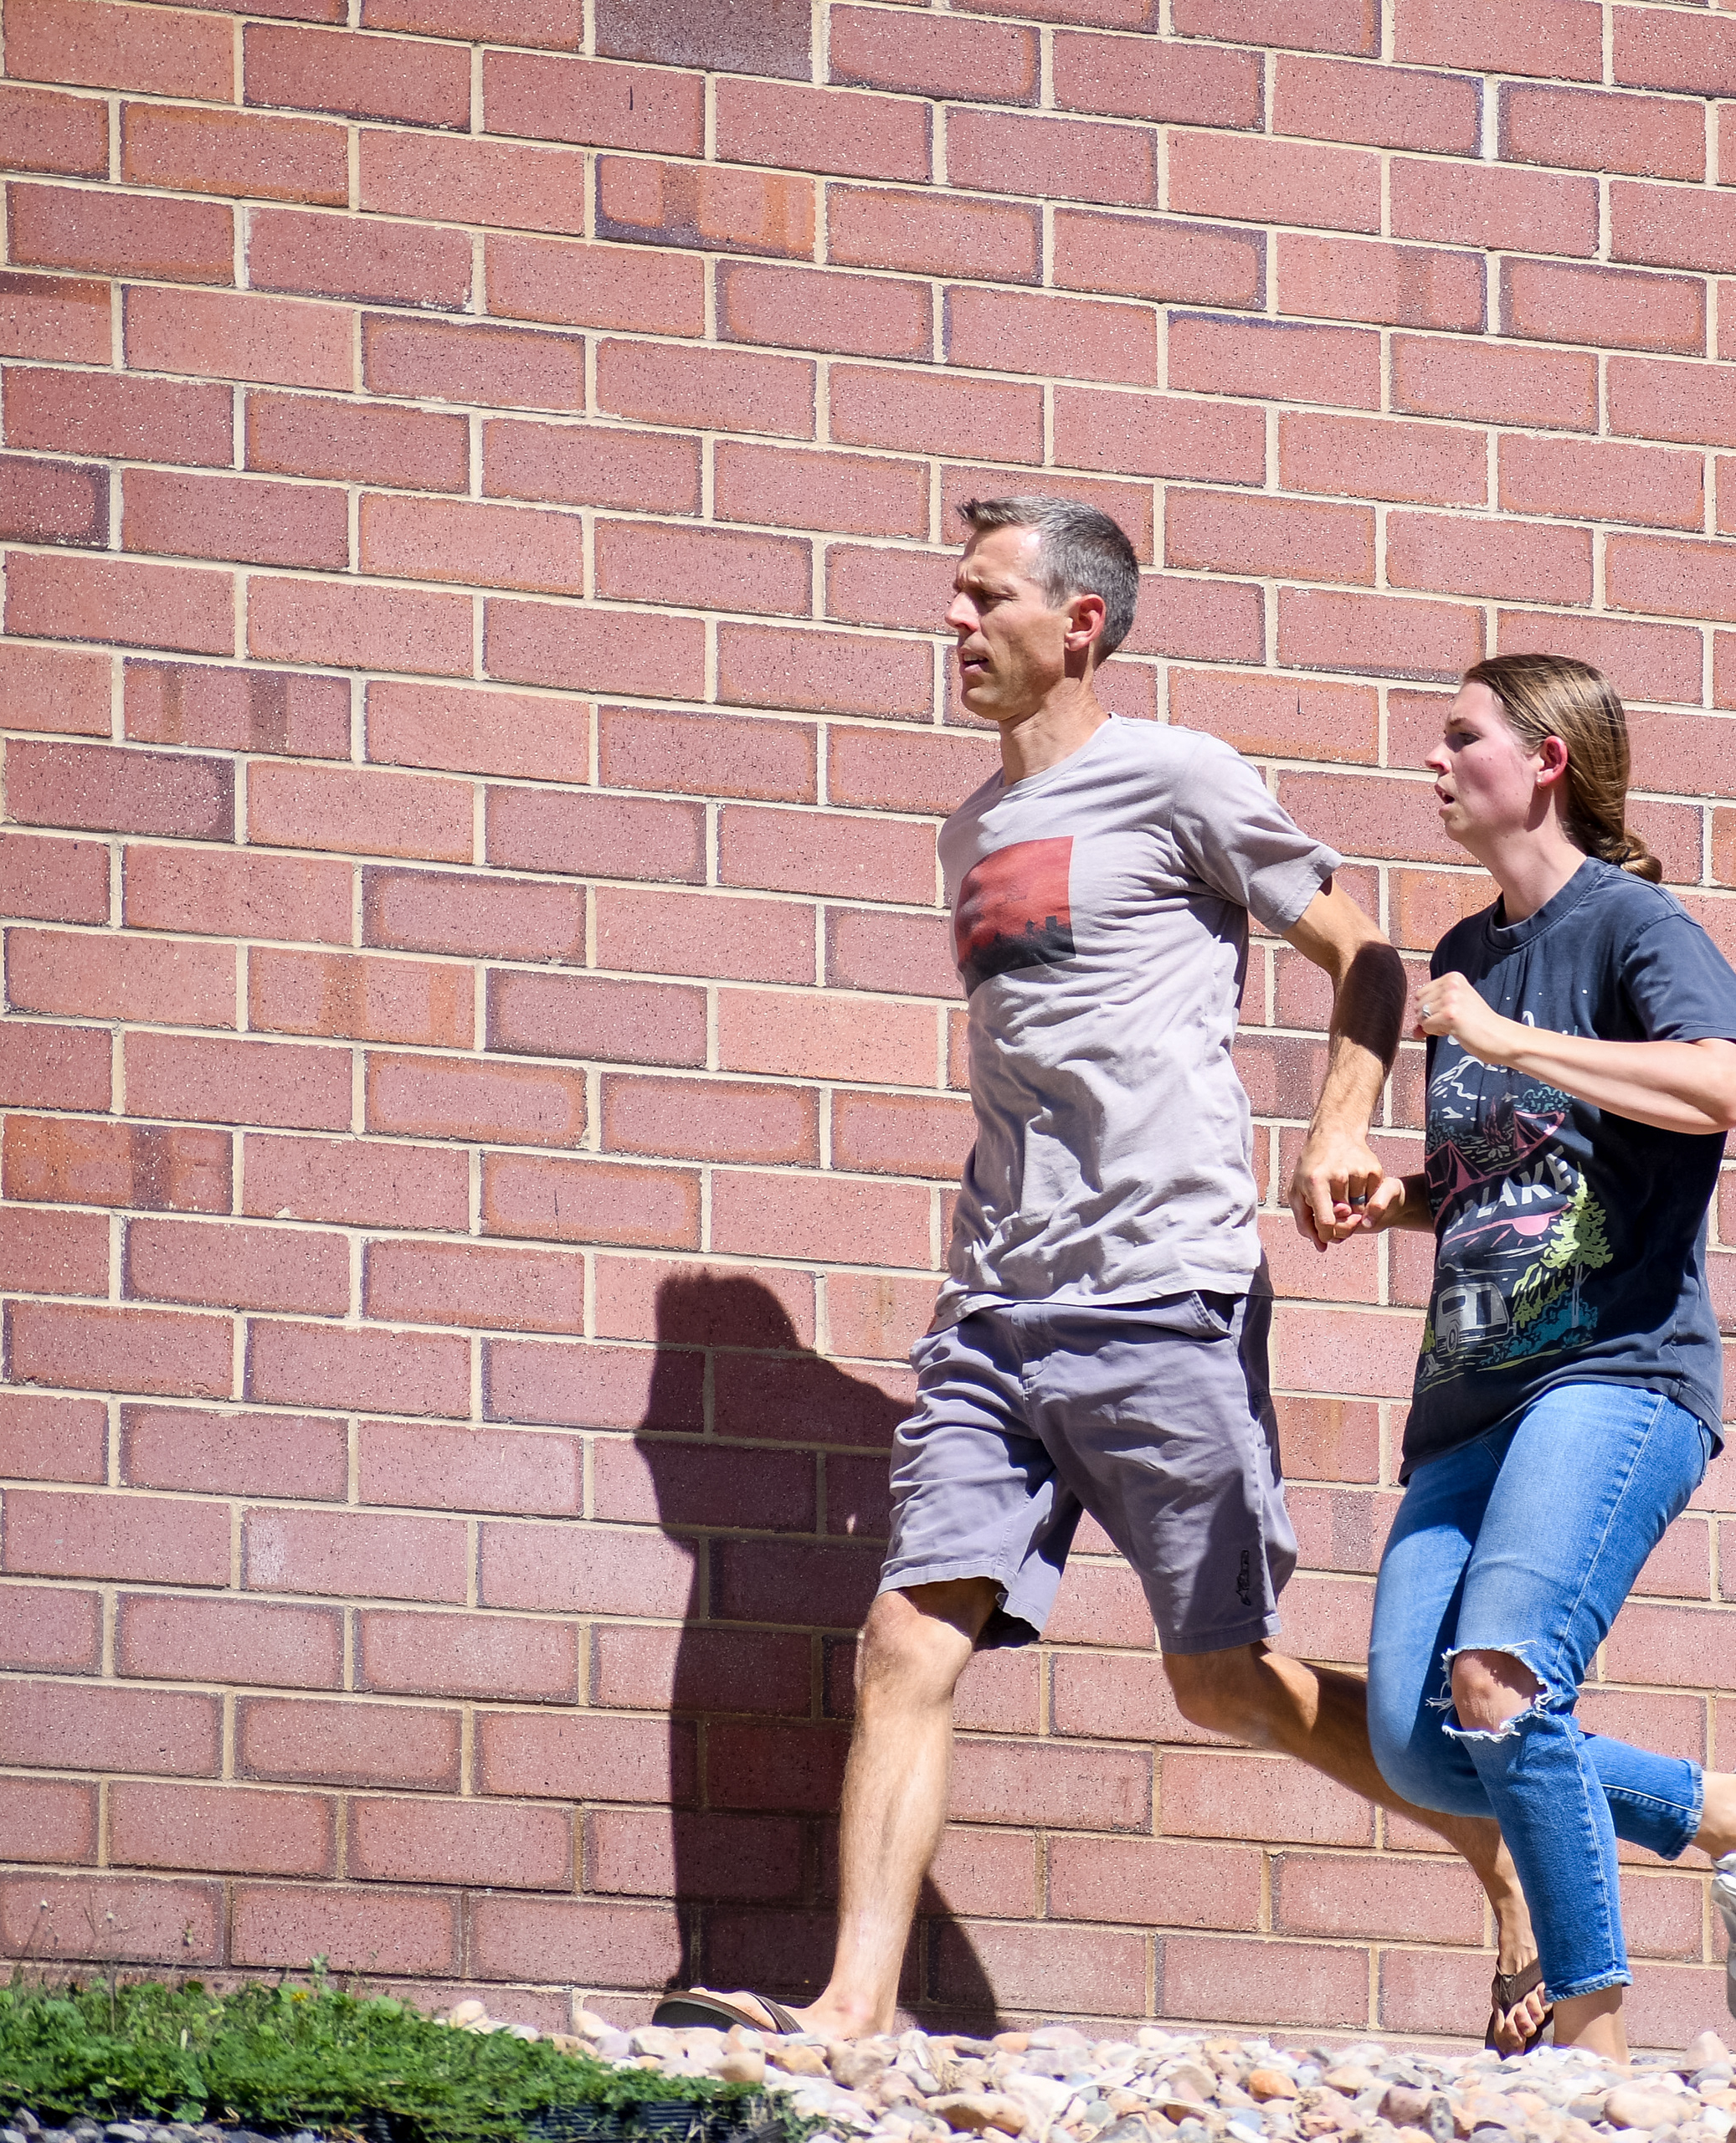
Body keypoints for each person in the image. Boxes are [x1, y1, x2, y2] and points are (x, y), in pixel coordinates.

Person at [653, 496, 1539, 2046]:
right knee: (908, 1636)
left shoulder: (1178, 777)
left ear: (1078, 623)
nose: (950, 620)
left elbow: (1371, 957)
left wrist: (1338, 1125)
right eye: (950, 593)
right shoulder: (970, 826)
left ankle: (1494, 1839)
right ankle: (855, 2003)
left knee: (1224, 1681)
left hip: (1160, 1286)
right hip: (995, 1304)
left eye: (981, 593)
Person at [1328, 652, 1736, 2057]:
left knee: (1501, 1684)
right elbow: (1508, 1175)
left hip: (1617, 1373)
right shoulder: (1462, 957)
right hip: (1468, 1401)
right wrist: (1394, 1195)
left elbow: (1728, 1081)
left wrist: (1515, 1040)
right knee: (1424, 1743)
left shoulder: (1629, 925)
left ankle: (1589, 2041)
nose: (1434, 762)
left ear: (1543, 760)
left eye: (1459, 739)